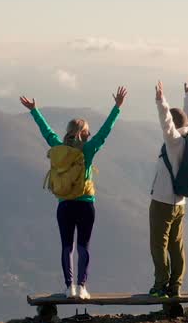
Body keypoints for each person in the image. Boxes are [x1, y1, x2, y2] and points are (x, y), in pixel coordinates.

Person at [20, 86, 127, 300]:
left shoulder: (58, 149)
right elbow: (105, 132)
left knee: (67, 246)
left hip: (65, 205)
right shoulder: (88, 150)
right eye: (88, 131)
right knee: (83, 246)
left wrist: (34, 110)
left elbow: (46, 132)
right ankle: (82, 287)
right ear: (84, 133)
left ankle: (69, 288)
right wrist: (117, 108)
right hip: (86, 204)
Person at [148, 77, 188, 298]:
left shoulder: (174, 141)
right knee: (176, 246)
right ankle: (175, 285)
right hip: (180, 203)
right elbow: (187, 117)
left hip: (163, 201)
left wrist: (161, 101)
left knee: (158, 244)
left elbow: (166, 122)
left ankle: (160, 285)